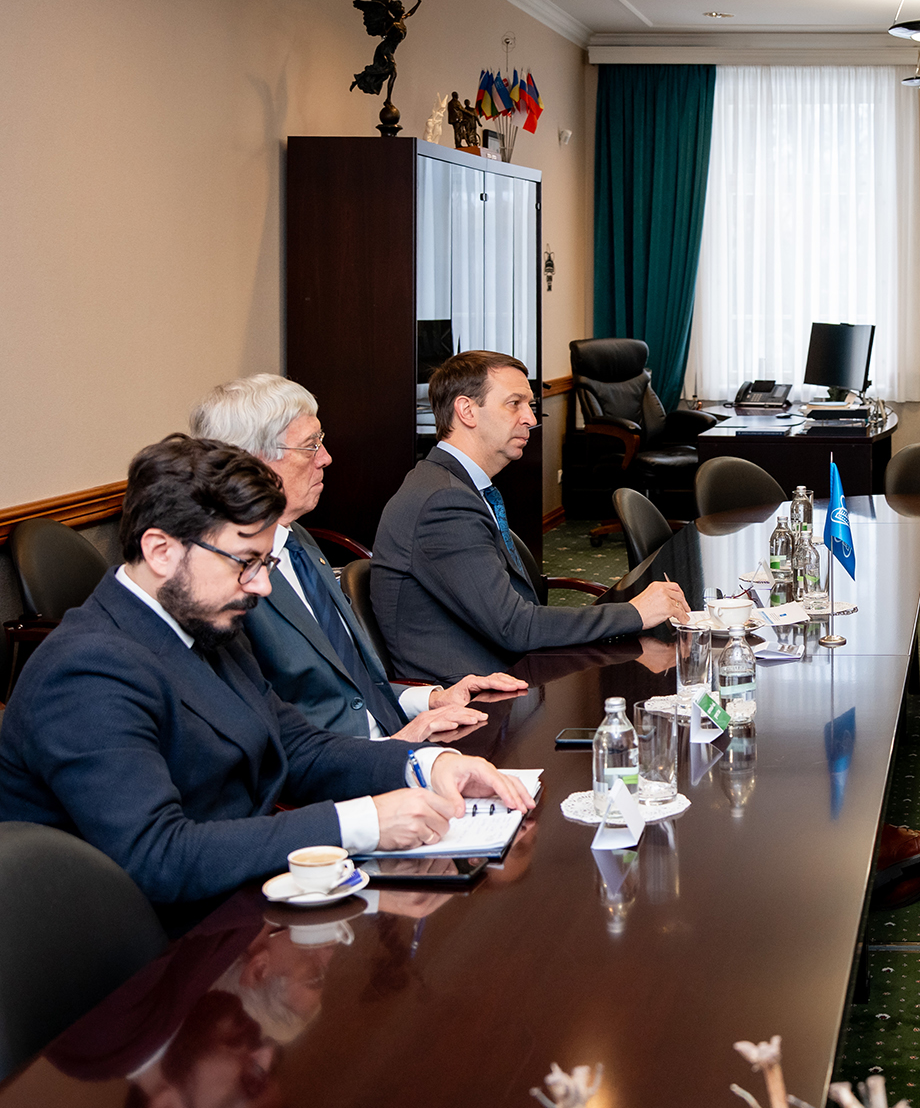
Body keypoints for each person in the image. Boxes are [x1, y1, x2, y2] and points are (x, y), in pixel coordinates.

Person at [0, 435, 533, 903]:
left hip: (237, 897)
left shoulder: (206, 624)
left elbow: (296, 748)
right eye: (245, 563)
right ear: (161, 551)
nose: (261, 586)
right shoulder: (86, 672)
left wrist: (426, 764)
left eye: (265, 562)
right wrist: (362, 822)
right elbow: (158, 856)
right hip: (146, 948)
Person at [189, 374, 527, 742]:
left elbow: (350, 689)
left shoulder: (297, 541)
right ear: (253, 462)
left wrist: (431, 698)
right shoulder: (224, 582)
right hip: (339, 765)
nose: (326, 457)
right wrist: (393, 751)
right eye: (310, 445)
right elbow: (270, 733)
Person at [370, 351, 691, 681]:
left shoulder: (455, 485)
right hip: (470, 694)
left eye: (530, 405)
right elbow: (513, 626)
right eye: (514, 404)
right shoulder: (444, 503)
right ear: (467, 410)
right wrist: (634, 612)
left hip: (510, 668)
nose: (530, 418)